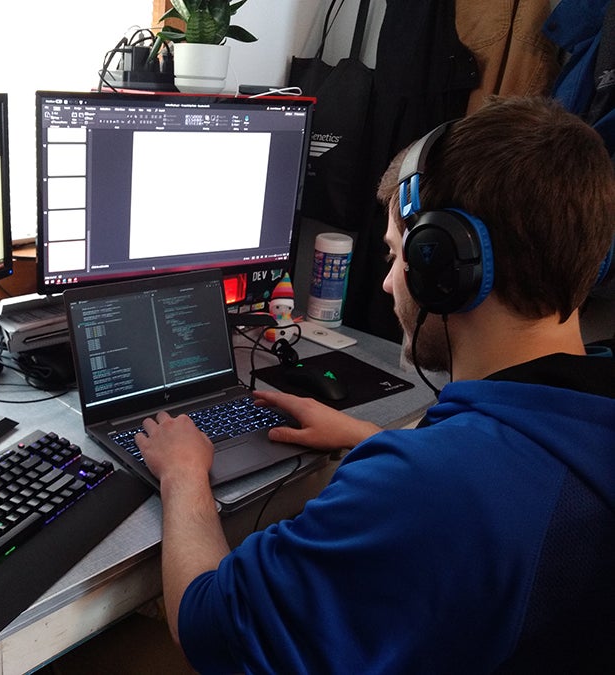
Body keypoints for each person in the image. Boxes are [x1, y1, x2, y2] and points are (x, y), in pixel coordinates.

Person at [135, 96, 615, 674]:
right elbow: (517, 485)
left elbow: (208, 627)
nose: (388, 284)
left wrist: (184, 474)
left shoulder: (428, 491)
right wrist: (371, 439)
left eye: (396, 255)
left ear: (444, 266)